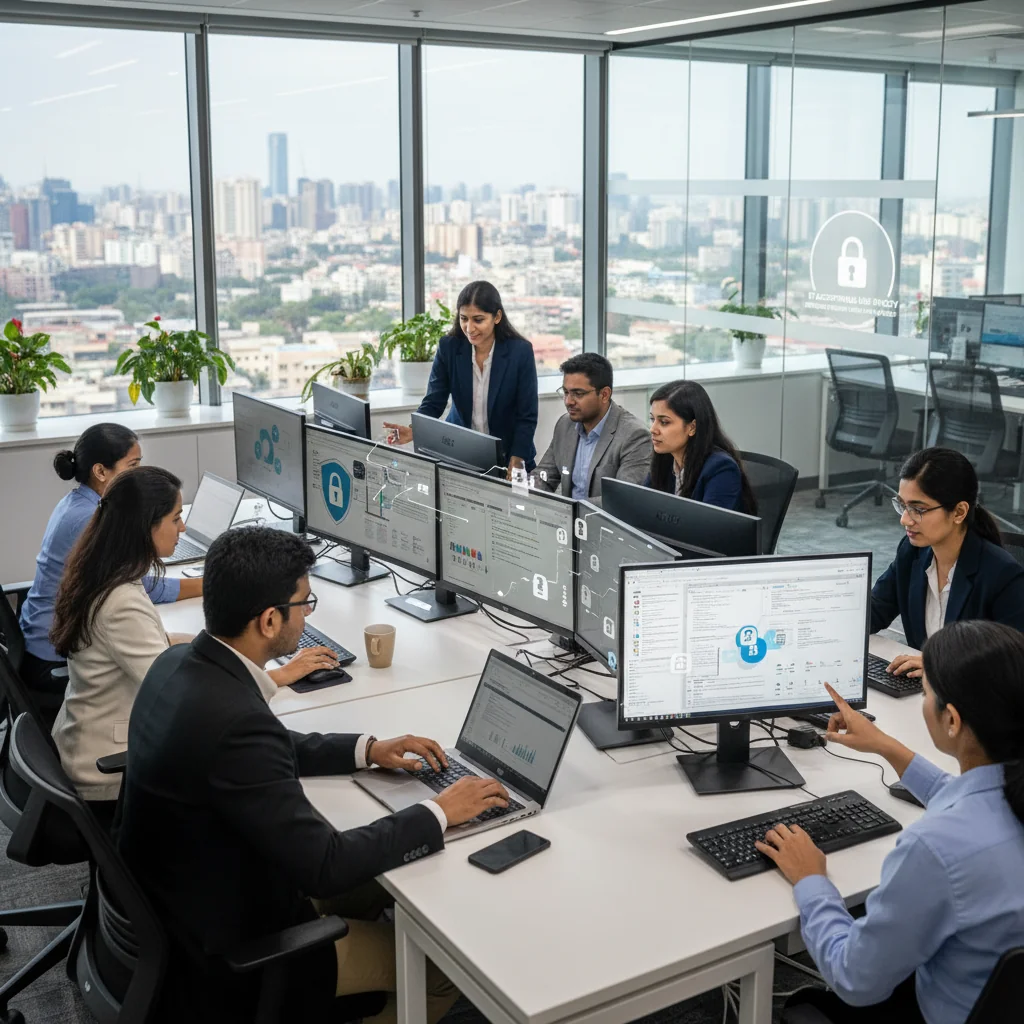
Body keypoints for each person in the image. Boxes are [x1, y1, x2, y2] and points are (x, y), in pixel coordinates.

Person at [117, 526, 511, 1024]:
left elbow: (270, 747)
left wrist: (369, 750)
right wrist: (438, 811)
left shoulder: (180, 664)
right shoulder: (237, 725)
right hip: (240, 953)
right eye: (305, 602)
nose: (308, 612)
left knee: (395, 878)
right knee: (441, 964)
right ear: (268, 620)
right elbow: (324, 866)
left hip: (185, 902)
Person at [757, 620, 1024, 1024]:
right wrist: (884, 746)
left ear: (951, 720)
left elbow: (854, 979)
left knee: (809, 1004)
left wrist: (812, 880)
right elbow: (972, 798)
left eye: (926, 692)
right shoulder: (1009, 792)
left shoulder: (935, 848)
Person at [49, 466, 194, 830]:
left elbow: (154, 648)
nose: (183, 528)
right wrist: (272, 674)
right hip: (108, 771)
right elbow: (172, 690)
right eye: (176, 518)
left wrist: (215, 643)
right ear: (147, 525)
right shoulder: (121, 601)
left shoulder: (105, 570)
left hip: (84, 738)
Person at [18, 423, 202, 702]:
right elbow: (140, 586)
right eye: (132, 465)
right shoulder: (89, 518)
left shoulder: (80, 502)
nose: (138, 474)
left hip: (43, 638)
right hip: (52, 658)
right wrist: (207, 584)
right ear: (101, 472)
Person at [870, 447, 1024, 677]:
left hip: (972, 702)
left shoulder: (1002, 576)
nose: (905, 519)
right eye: (902, 506)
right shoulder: (912, 553)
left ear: (959, 512)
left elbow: (1013, 665)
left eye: (918, 509)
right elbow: (874, 612)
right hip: (922, 692)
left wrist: (939, 665)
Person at [384, 281, 539, 473]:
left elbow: (527, 415)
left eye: (478, 320)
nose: (469, 328)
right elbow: (434, 402)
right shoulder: (449, 347)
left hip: (510, 455)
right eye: (464, 318)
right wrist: (414, 429)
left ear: (497, 317)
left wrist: (517, 460)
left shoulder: (520, 352)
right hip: (461, 454)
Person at [534, 353, 651, 500]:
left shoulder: (635, 436)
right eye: (565, 392)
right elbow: (544, 476)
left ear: (604, 394)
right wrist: (523, 490)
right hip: (567, 519)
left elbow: (622, 500)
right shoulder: (565, 425)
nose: (568, 401)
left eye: (578, 393)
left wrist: (570, 510)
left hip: (600, 521)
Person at [644, 380, 756, 514]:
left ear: (692, 427)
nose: (653, 429)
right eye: (652, 419)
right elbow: (641, 508)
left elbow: (708, 530)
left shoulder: (721, 469)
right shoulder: (664, 460)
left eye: (664, 422)